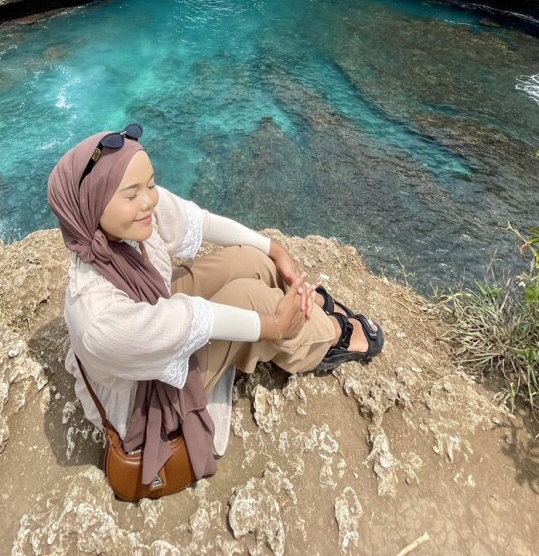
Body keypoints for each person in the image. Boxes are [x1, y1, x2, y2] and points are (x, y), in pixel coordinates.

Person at [47, 124, 383, 488]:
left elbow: (200, 221)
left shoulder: (125, 224)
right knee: (253, 300)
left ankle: (300, 305)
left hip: (155, 310)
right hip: (145, 396)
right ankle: (329, 337)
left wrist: (273, 249)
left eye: (151, 184)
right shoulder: (98, 317)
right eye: (132, 194)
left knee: (249, 261)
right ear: (91, 205)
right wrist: (274, 327)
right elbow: (194, 319)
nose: (149, 201)